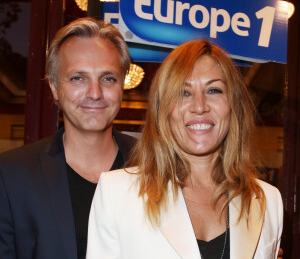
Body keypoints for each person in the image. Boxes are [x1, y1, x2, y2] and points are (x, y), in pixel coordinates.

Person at [86, 40, 283, 259]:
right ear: (164, 109)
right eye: (184, 93)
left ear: (233, 106)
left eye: (214, 90)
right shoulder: (117, 194)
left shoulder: (268, 201)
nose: (199, 106)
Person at [0, 18, 136, 259]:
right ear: (54, 88)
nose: (95, 93)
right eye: (77, 78)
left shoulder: (157, 163)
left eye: (108, 78)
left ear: (122, 86)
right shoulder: (11, 176)